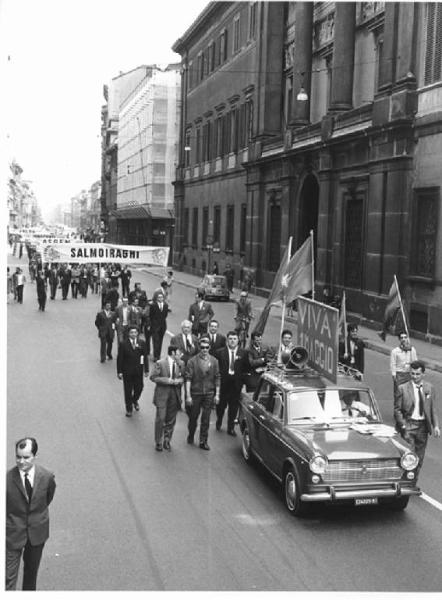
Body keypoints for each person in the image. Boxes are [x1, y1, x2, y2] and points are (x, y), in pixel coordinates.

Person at [6, 437, 56, 591]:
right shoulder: (6, 479)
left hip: (37, 533)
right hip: (12, 534)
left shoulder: (47, 476)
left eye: (26, 457)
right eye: (18, 457)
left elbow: (48, 498)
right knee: (7, 578)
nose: (21, 461)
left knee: (31, 575)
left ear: (35, 456)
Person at [394, 360, 440, 471]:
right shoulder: (402, 388)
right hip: (409, 425)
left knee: (419, 459)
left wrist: (436, 426)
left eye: (418, 374)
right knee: (409, 457)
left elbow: (432, 408)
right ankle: (406, 480)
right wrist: (403, 426)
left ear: (423, 374)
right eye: (412, 374)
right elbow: (397, 410)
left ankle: (413, 481)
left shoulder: (429, 388)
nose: (415, 377)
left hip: (423, 427)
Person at [185, 337, 220, 450]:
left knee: (206, 418)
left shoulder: (214, 361)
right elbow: (188, 379)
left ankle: (203, 441)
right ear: (199, 348)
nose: (204, 349)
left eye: (207, 347)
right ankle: (191, 434)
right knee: (193, 417)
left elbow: (217, 377)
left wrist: (217, 394)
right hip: (196, 393)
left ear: (209, 347)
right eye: (202, 347)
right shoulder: (192, 361)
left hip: (209, 393)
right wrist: (188, 396)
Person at [150, 345, 184, 451]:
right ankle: (158, 441)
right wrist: (167, 380)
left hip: (175, 394)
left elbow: (183, 376)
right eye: (179, 354)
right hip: (162, 394)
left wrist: (180, 380)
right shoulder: (160, 363)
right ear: (173, 353)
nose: (181, 356)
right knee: (161, 418)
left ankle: (167, 439)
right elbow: (153, 377)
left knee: (171, 419)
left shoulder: (181, 363)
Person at [215, 331, 247, 435]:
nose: (232, 341)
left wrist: (242, 382)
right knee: (221, 406)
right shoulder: (220, 352)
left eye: (234, 339)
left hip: (236, 385)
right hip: (224, 383)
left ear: (238, 341)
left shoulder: (243, 353)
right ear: (227, 340)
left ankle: (230, 427)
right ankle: (219, 420)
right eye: (230, 339)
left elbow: (246, 368)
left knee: (234, 407)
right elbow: (217, 369)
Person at [117, 326, 149, 417]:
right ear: (128, 333)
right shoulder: (123, 344)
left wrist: (146, 369)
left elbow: (145, 357)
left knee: (139, 388)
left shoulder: (142, 343)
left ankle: (134, 400)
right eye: (131, 332)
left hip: (138, 371)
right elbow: (120, 359)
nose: (133, 334)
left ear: (138, 333)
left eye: (135, 332)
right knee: (128, 390)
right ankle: (129, 408)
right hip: (127, 372)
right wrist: (119, 372)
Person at [391, 331, 418, 397]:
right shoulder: (395, 351)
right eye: (401, 338)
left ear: (407, 338)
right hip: (399, 374)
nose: (403, 339)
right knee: (399, 394)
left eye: (405, 337)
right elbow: (393, 363)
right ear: (399, 339)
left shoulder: (412, 350)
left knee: (409, 394)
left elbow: (415, 362)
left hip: (409, 374)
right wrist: (394, 375)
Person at [149, 290, 169, 361]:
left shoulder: (166, 305)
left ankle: (159, 355)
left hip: (162, 326)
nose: (160, 299)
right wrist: (152, 324)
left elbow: (165, 315)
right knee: (155, 341)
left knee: (160, 341)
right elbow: (151, 316)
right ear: (157, 298)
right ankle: (155, 356)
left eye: (161, 297)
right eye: (159, 297)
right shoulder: (153, 305)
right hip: (155, 326)